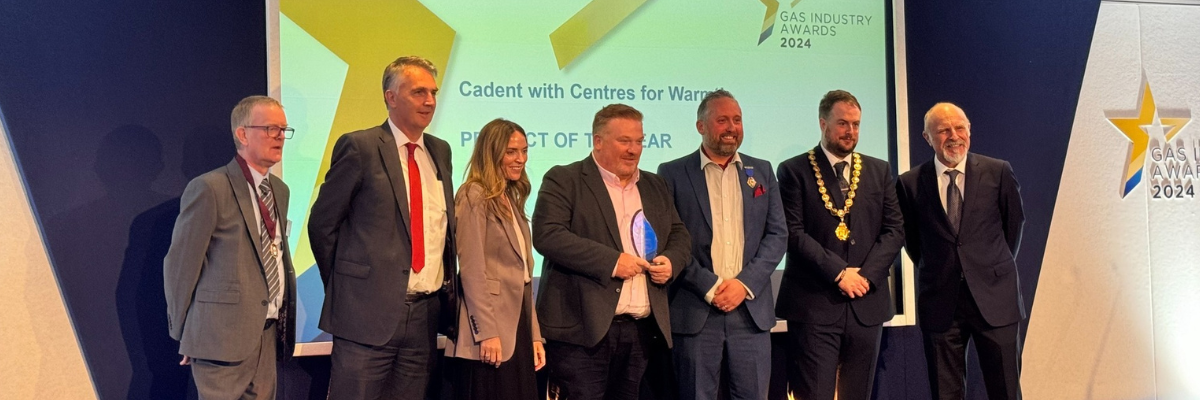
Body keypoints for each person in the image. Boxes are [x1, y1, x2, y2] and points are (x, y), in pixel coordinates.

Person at [308, 55, 457, 400]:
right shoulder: (360, 146)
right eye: (419, 92)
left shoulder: (440, 151)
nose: (430, 101)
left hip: (423, 318)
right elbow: (322, 225)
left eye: (433, 93)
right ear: (391, 97)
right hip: (364, 316)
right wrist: (349, 287)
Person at [532, 103, 692, 400]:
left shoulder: (655, 185)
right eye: (624, 141)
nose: (634, 150)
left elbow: (679, 234)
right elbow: (548, 235)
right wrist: (612, 262)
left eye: (639, 141)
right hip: (582, 334)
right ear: (598, 141)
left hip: (641, 332)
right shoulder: (564, 179)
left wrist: (671, 261)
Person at [164, 95, 296, 399]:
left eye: (283, 130)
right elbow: (181, 266)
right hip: (219, 339)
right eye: (270, 129)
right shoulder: (210, 188)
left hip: (266, 335)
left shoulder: (279, 190)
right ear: (242, 134)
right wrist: (185, 332)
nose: (279, 137)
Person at [657, 89, 787, 400]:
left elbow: (777, 234)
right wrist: (711, 286)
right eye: (722, 120)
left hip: (750, 313)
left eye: (737, 120)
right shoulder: (672, 173)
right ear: (700, 126)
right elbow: (669, 240)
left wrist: (744, 284)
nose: (731, 127)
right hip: (696, 310)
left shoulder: (762, 170)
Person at [775, 89, 904, 400]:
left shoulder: (879, 170)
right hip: (814, 305)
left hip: (866, 303)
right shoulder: (793, 170)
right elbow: (793, 233)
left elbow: (895, 230)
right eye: (843, 123)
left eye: (856, 124)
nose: (851, 131)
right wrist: (840, 273)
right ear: (823, 123)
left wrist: (865, 276)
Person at [896, 102, 1025, 400]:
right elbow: (912, 242)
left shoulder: (998, 171)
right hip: (940, 303)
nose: (954, 136)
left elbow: (1013, 226)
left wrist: (987, 267)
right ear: (927, 137)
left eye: (960, 128)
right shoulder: (910, 183)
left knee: (1005, 391)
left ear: (969, 130)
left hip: (995, 300)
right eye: (944, 130)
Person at [445, 118, 546, 399]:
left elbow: (523, 277)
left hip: (518, 327)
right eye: (511, 152)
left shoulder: (511, 198)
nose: (521, 159)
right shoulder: (473, 195)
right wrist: (486, 332)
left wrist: (535, 335)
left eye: (524, 151)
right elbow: (472, 270)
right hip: (489, 332)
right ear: (491, 153)